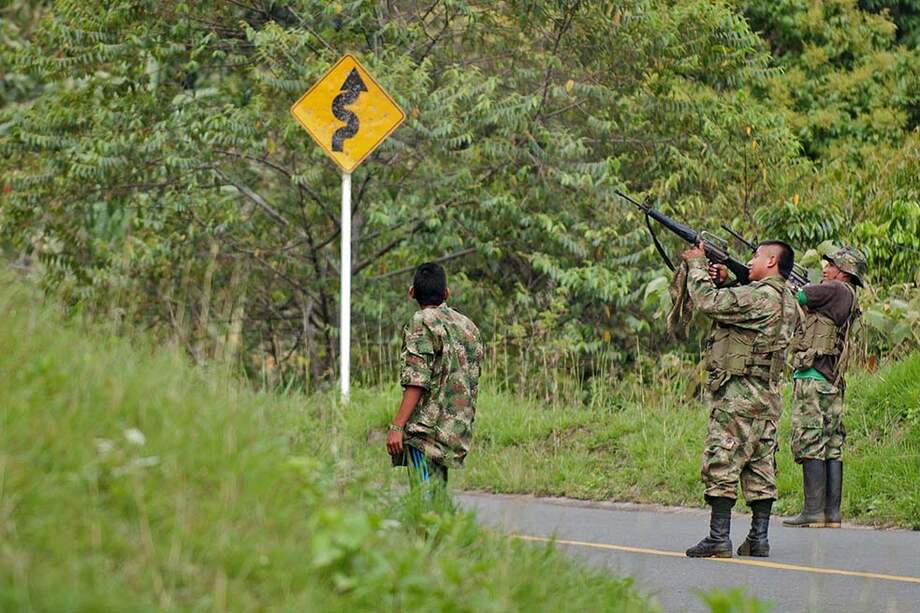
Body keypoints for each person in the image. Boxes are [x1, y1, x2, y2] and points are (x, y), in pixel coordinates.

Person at [681, 241, 800, 558]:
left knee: (722, 460)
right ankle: (758, 539)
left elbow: (708, 302)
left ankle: (718, 538)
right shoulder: (788, 300)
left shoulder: (760, 296)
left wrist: (697, 264)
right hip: (767, 398)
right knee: (761, 467)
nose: (749, 261)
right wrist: (728, 282)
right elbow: (742, 312)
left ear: (772, 261)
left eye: (756, 256)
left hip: (739, 396)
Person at [783, 247, 866, 529]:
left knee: (810, 439)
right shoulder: (849, 295)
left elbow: (800, 296)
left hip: (814, 375)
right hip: (831, 380)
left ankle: (813, 511)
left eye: (831, 265)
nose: (826, 270)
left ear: (844, 272)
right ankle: (831, 514)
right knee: (831, 445)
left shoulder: (834, 288)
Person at [386, 262, 483, 493]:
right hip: (454, 429)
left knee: (423, 500)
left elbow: (417, 380)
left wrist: (397, 426)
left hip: (424, 432)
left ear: (412, 292)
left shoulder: (421, 322)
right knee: (438, 497)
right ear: (446, 293)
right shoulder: (467, 326)